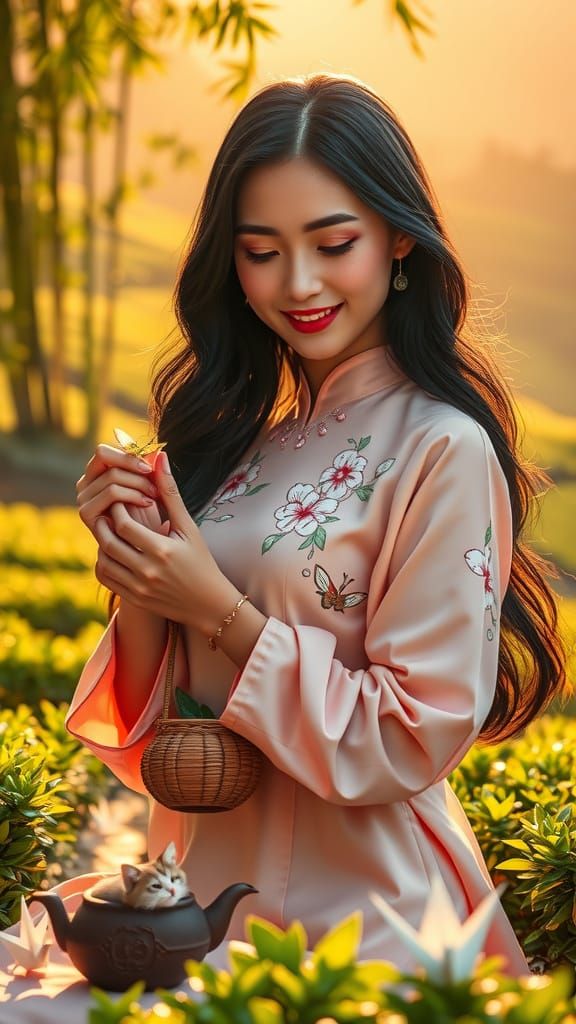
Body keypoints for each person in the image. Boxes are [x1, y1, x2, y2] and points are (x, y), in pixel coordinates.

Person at [67, 73, 567, 973]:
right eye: (261, 252)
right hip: (198, 909)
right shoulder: (244, 446)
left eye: (334, 243)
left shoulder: (442, 449)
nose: (298, 283)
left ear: (400, 238)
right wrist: (141, 573)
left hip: (366, 924)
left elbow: (408, 735)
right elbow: (158, 746)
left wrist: (218, 608)